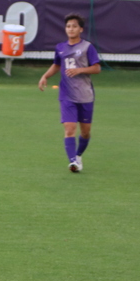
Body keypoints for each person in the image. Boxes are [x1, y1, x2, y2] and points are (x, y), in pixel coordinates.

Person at [38, 13, 101, 173]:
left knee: (85, 132)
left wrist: (80, 70)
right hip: (67, 95)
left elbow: (97, 68)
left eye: (74, 26)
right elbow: (57, 65)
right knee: (70, 128)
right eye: (68, 26)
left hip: (85, 95)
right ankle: (72, 162)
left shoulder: (87, 47)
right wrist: (45, 76)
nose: (70, 29)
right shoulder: (60, 47)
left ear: (80, 29)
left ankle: (78, 155)